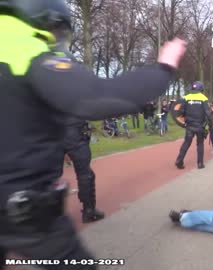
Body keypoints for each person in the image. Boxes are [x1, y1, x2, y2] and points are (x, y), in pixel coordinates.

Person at [0, 0, 186, 268]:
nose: (56, 41)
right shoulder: (25, 50)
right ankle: (88, 209)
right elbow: (99, 97)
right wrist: (164, 68)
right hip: (24, 211)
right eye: (57, 32)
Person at [55, 48, 105, 223]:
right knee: (85, 174)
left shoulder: (43, 84)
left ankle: (47, 218)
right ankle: (88, 211)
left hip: (51, 134)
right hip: (75, 134)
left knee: (48, 176)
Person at [174, 81, 212, 170]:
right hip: (200, 126)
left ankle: (179, 160)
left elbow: (179, 112)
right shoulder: (203, 98)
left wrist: (185, 119)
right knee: (200, 144)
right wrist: (210, 124)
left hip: (189, 126)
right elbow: (208, 113)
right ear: (201, 88)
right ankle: (200, 163)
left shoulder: (186, 97)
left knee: (186, 143)